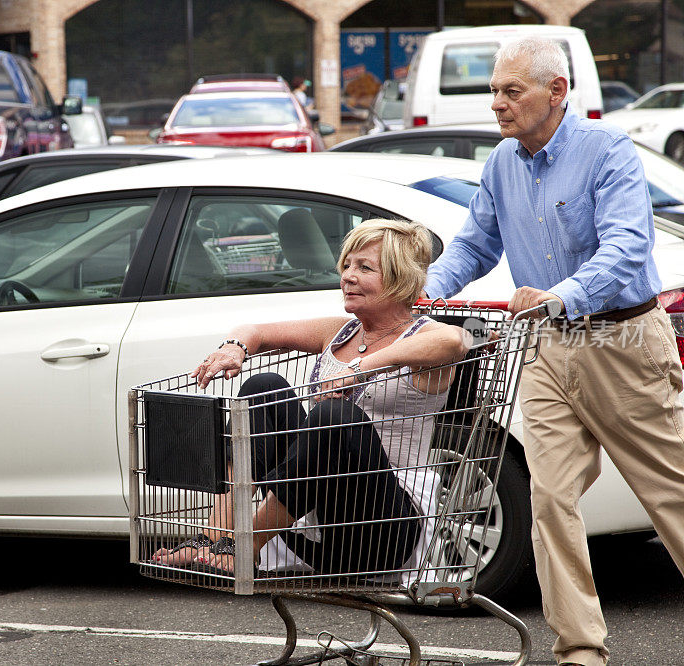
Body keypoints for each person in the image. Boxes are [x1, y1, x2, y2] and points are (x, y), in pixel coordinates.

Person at [422, 36, 684, 666]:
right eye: (494, 91)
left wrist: (560, 296)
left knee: (672, 495)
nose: (497, 105)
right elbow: (472, 246)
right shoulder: (501, 163)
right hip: (546, 349)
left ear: (556, 91)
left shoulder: (607, 151)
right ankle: (580, 650)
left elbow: (624, 248)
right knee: (549, 497)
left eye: (511, 91)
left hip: (623, 344)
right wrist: (421, 292)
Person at [152, 219, 469, 578]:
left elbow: (455, 342)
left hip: (385, 527)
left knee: (334, 414)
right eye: (346, 265)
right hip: (319, 520)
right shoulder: (340, 331)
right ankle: (216, 537)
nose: (348, 276)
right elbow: (254, 330)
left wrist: (361, 367)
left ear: (400, 279)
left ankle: (248, 544)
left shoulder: (423, 337)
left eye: (364, 267)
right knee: (264, 387)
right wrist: (234, 347)